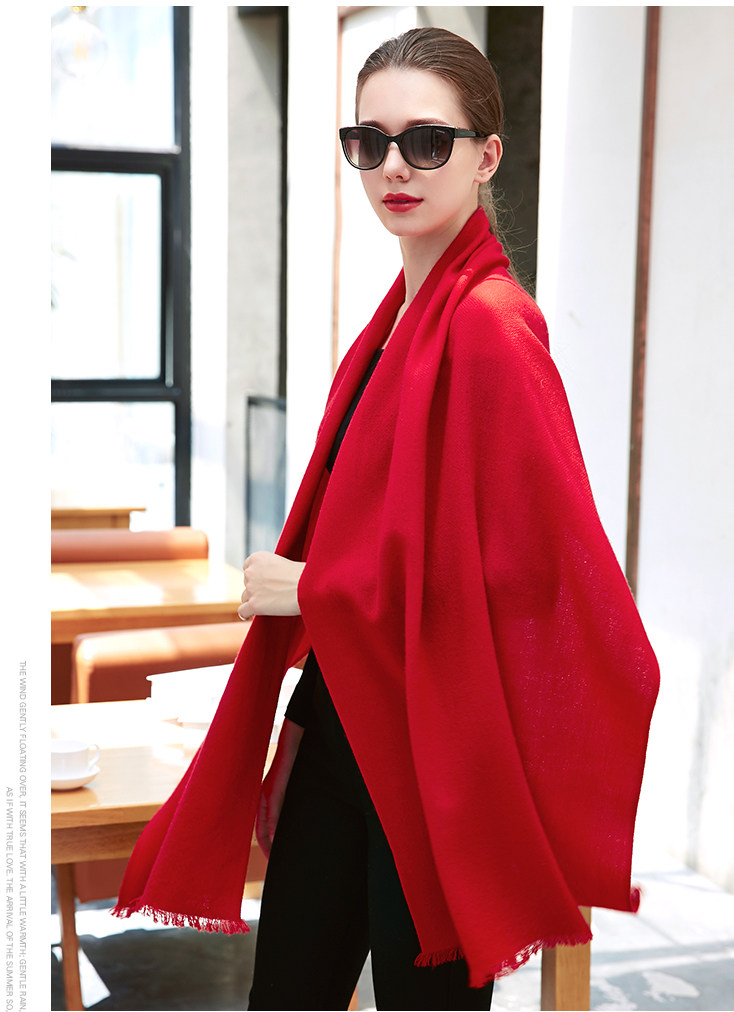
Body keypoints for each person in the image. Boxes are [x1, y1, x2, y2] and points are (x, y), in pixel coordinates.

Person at [113, 27, 660, 1012]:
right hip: (349, 718)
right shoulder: (395, 322)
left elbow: (527, 571)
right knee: (288, 992)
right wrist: (303, 724)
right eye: (370, 142)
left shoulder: (493, 327)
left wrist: (314, 585)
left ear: (486, 156)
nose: (394, 167)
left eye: (427, 141)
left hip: (435, 754)